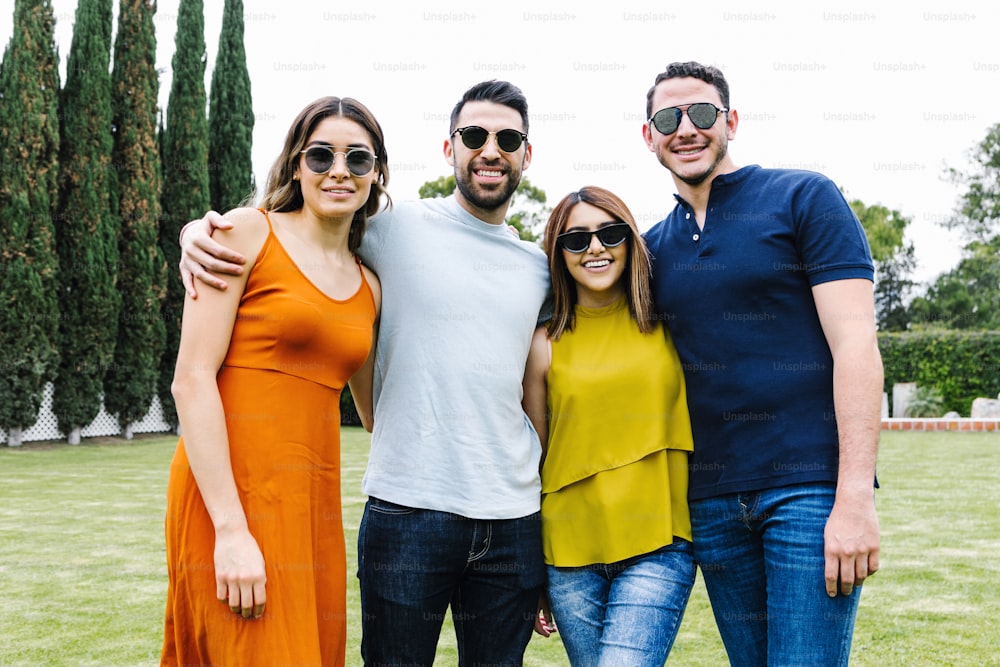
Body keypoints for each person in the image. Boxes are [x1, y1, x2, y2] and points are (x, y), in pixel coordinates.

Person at [177, 80, 550, 667]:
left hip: (507, 518)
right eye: (474, 135)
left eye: (508, 138)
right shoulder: (390, 231)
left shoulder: (538, 266)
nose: (490, 149)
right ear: (448, 147)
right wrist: (194, 233)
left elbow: (370, 403)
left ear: (527, 153)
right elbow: (196, 367)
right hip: (403, 515)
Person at [641, 61, 883, 666]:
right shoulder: (647, 249)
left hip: (805, 492)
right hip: (712, 503)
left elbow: (856, 346)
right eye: (669, 118)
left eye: (702, 113)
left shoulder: (804, 197)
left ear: (731, 121)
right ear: (649, 136)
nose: (686, 129)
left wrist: (854, 498)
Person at [161, 96, 387, 667]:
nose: (339, 170)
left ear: (376, 173)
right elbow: (190, 380)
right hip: (229, 500)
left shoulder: (370, 286)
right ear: (294, 165)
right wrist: (232, 532)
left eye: (358, 159)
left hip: (312, 510)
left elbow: (376, 414)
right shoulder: (244, 233)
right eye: (321, 155)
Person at [522, 186, 696, 666]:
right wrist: (535, 571)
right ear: (558, 254)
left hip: (659, 544)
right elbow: (533, 457)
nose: (595, 247)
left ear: (630, 242)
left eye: (610, 233)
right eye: (576, 239)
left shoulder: (670, 324)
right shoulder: (543, 344)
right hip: (568, 556)